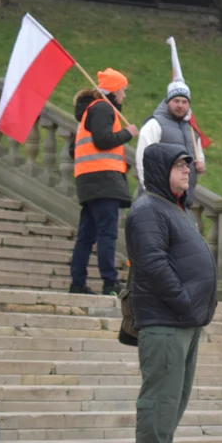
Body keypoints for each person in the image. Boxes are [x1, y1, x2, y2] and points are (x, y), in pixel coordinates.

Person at [125, 143, 218, 443]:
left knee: (176, 394)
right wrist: (185, 301)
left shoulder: (175, 209)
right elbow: (152, 265)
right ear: (161, 169)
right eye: (179, 165)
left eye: (188, 165)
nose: (187, 171)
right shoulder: (148, 209)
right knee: (161, 393)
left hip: (185, 319)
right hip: (166, 319)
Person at [69, 68, 138, 296]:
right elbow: (103, 140)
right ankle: (110, 282)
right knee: (107, 234)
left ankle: (78, 283)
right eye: (123, 91)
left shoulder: (89, 111)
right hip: (103, 181)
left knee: (86, 236)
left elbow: (75, 148)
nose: (124, 96)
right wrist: (127, 133)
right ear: (114, 91)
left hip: (90, 180)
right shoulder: (102, 108)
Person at [135, 80, 206, 207]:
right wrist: (149, 189)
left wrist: (201, 165)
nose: (180, 105)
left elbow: (199, 155)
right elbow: (142, 159)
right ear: (167, 101)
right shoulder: (154, 124)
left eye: (184, 102)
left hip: (184, 199)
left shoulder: (192, 129)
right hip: (157, 198)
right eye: (176, 101)